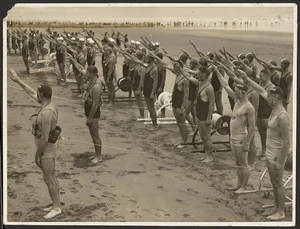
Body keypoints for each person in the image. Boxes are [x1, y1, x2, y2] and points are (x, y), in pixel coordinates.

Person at [8, 69, 62, 219]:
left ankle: (57, 207)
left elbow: (44, 138)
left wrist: (37, 155)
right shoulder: (48, 104)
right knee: (49, 176)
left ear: (42, 95)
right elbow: (31, 92)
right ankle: (55, 203)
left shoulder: (47, 113)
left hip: (47, 149)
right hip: (46, 148)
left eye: (38, 93)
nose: (36, 95)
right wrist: (18, 80)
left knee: (49, 177)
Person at [241, 73, 290, 221]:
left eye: (269, 96)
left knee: (278, 183)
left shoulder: (282, 116)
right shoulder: (274, 109)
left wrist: (281, 162)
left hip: (276, 156)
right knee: (274, 183)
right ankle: (276, 207)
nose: (266, 97)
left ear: (275, 98)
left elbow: (287, 142)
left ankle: (281, 211)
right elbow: (261, 90)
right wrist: (247, 79)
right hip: (270, 154)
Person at [214, 67, 255, 193]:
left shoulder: (249, 107)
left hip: (241, 138)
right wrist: (217, 71)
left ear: (242, 93)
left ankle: (244, 186)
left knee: (243, 164)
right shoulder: (237, 101)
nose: (234, 92)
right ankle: (238, 184)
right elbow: (226, 85)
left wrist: (247, 142)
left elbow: (252, 127)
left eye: (237, 91)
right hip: (233, 137)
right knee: (237, 163)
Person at [67, 56, 104, 164]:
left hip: (94, 113)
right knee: (92, 134)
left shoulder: (97, 86)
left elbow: (96, 104)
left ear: (92, 74)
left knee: (95, 135)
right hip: (88, 110)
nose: (85, 74)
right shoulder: (91, 79)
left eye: (87, 73)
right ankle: (97, 154)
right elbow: (80, 68)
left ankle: (99, 156)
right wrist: (73, 60)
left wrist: (90, 118)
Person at [179, 57, 215, 162]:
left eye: (199, 73)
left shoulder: (209, 88)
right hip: (199, 114)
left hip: (205, 115)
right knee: (202, 136)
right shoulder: (200, 83)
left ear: (204, 75)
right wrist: (180, 69)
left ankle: (210, 156)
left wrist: (209, 118)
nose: (197, 74)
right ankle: (206, 154)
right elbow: (189, 77)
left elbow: (212, 104)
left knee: (207, 136)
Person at [256, 69, 275, 159]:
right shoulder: (261, 85)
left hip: (267, 113)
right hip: (260, 112)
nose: (260, 78)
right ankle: (263, 150)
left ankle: (268, 153)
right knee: (261, 133)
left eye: (261, 76)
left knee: (267, 134)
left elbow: (274, 103)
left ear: (267, 76)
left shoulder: (271, 87)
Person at [155, 52, 167, 118]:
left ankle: (163, 113)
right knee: (157, 97)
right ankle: (160, 111)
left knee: (161, 98)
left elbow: (164, 77)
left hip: (160, 83)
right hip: (157, 82)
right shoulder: (157, 64)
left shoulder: (162, 66)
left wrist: (160, 86)